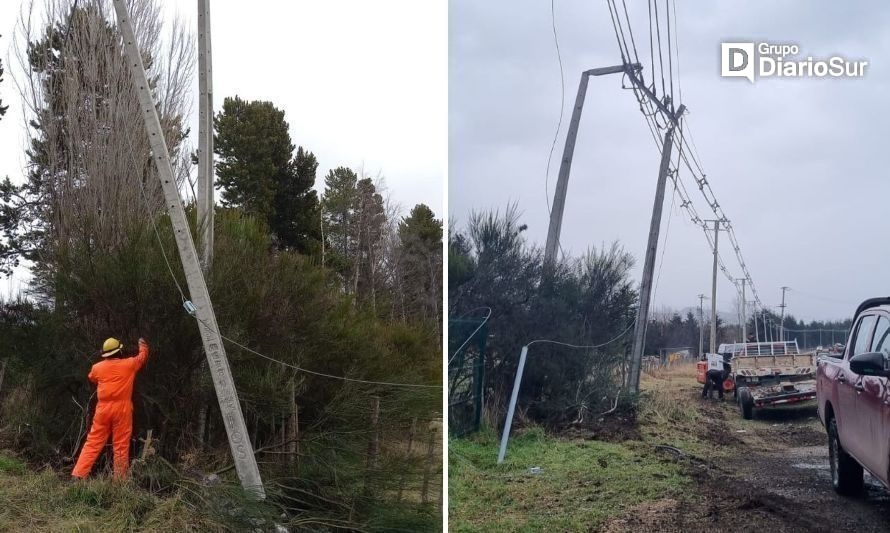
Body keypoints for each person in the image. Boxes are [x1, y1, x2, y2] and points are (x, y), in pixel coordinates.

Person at [72, 337, 149, 480]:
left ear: (105, 354)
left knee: (93, 442)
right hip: (122, 409)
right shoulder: (129, 364)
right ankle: (119, 481)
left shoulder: (97, 367)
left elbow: (92, 378)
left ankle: (78, 475)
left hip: (103, 410)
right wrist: (143, 346)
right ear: (119, 350)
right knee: (120, 445)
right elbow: (142, 358)